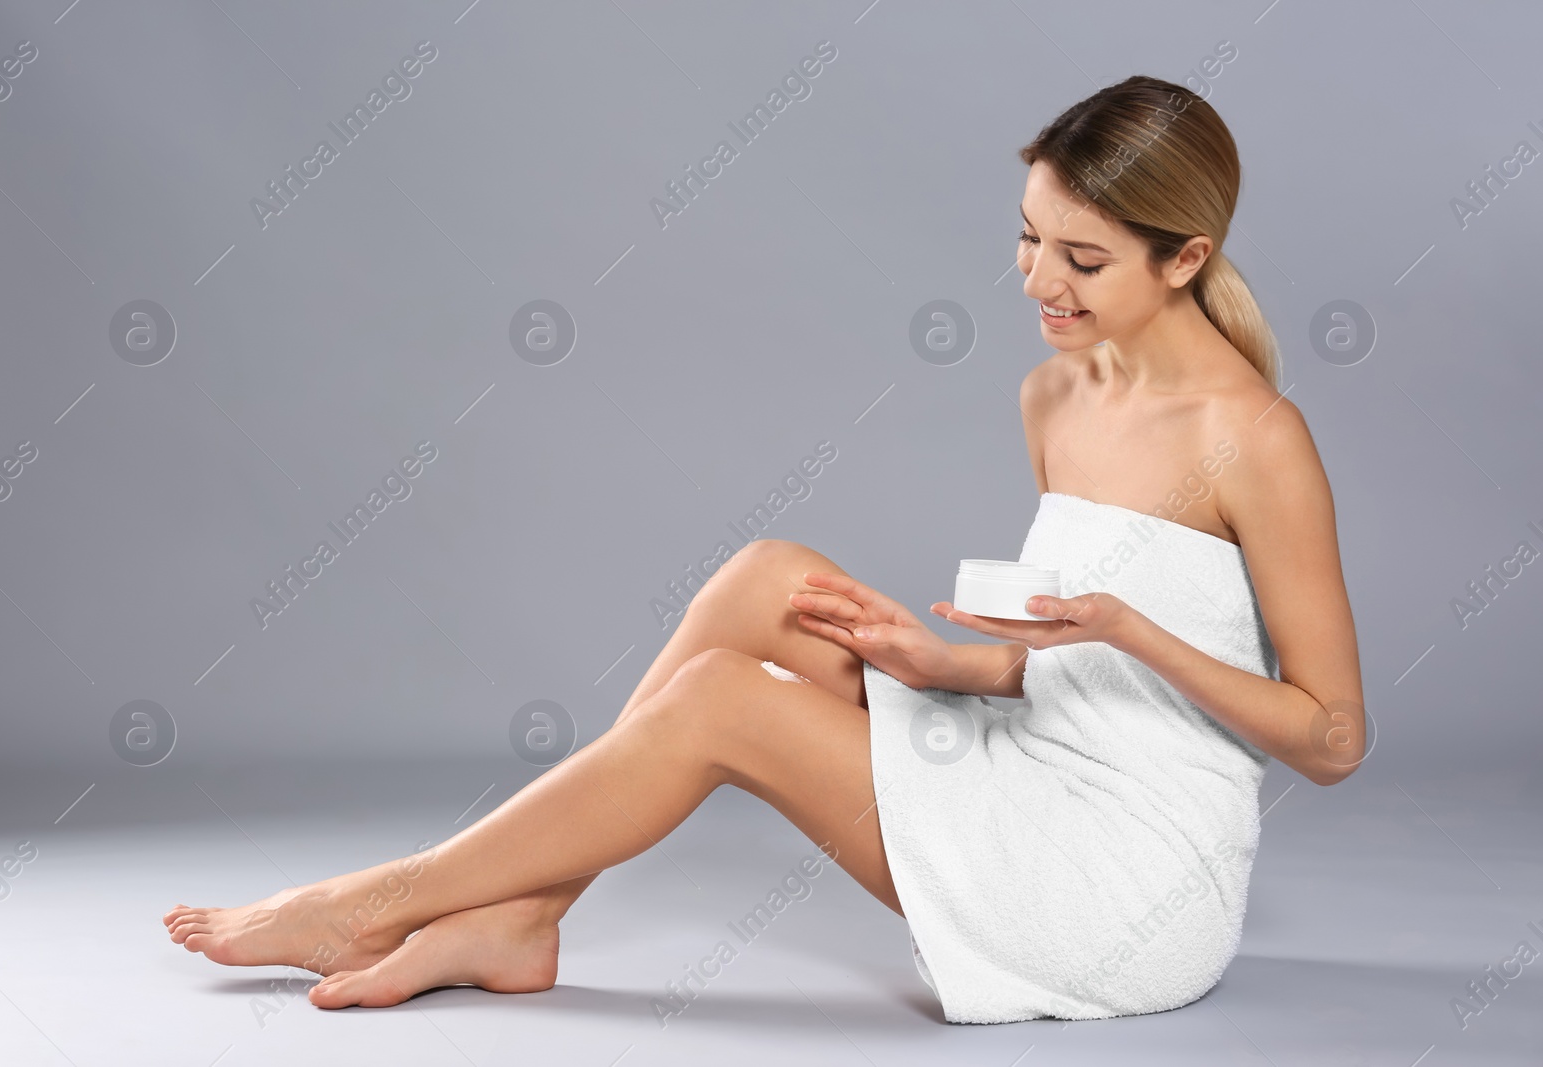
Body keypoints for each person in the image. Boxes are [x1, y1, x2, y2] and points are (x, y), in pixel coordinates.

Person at [163, 74, 1365, 1021]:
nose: (1036, 281)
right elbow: (1069, 666)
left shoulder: (1255, 439)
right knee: (767, 579)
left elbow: (1331, 738)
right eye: (1027, 237)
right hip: (1033, 772)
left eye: (1082, 260)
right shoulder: (1057, 395)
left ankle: (376, 901)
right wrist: (945, 663)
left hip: (1128, 885)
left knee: (720, 700)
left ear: (1185, 258)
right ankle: (520, 914)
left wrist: (1130, 628)